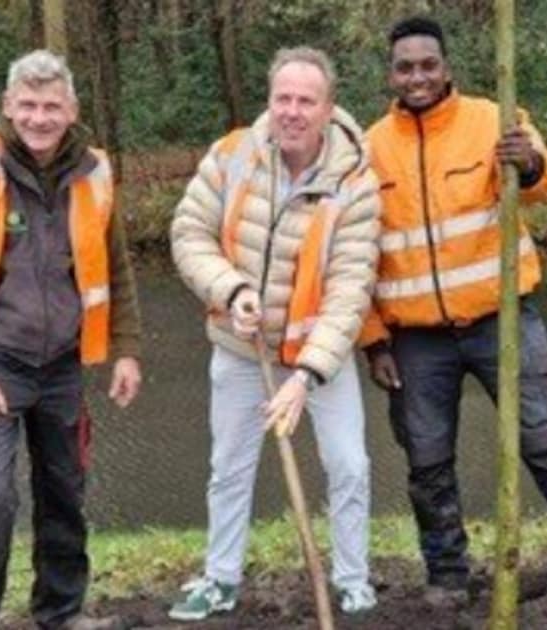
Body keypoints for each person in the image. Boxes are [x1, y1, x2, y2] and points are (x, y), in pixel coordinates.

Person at [358, 17, 547, 630]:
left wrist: (532, 162)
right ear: (390, 75)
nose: (417, 76)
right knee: (426, 461)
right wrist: (372, 338)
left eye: (427, 65)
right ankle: (447, 577)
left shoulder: (493, 118)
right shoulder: (368, 148)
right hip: (415, 338)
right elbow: (355, 253)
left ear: (447, 68)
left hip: (503, 320)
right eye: (405, 67)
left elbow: (545, 184)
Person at [0, 49, 142, 630]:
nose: (40, 119)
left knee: (65, 493)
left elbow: (117, 268)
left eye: (52, 107)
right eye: (29, 106)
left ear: (71, 111)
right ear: (8, 107)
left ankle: (61, 613)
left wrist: (127, 349)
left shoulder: (95, 172)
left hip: (63, 366)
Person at [167, 46, 380, 621]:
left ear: (328, 108)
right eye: (282, 98)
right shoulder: (233, 155)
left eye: (305, 100)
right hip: (243, 352)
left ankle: (354, 580)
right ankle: (220, 579)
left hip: (320, 361)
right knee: (229, 467)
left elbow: (350, 290)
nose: (292, 111)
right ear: (270, 100)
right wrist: (230, 290)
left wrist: (306, 375)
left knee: (349, 465)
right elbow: (189, 233)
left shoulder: (355, 182)